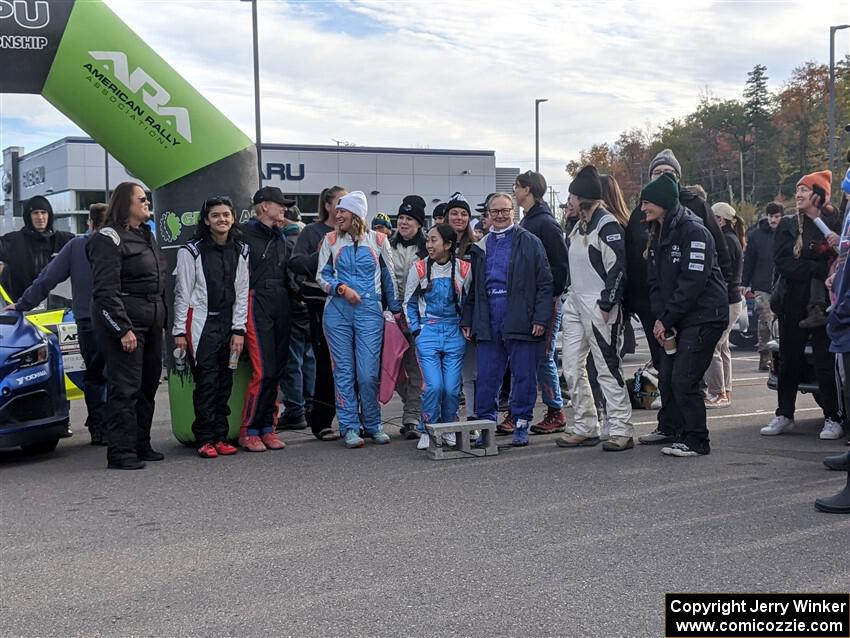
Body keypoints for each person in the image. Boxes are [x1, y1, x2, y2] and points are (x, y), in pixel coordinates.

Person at [626, 149, 731, 445]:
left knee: (685, 378)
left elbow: (693, 280)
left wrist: (669, 317)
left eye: (647, 204)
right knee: (671, 375)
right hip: (671, 314)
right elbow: (654, 280)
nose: (642, 209)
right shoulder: (657, 230)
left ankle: (696, 439)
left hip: (703, 313)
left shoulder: (694, 228)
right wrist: (662, 319)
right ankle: (673, 429)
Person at [7, 203, 109, 446]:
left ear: (89, 223)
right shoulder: (120, 243)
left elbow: (47, 279)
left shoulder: (76, 246)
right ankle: (119, 426)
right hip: (120, 320)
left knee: (96, 376)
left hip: (89, 320)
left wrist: (21, 304)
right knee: (121, 376)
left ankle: (100, 427)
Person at [462, 192, 553, 447]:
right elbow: (473, 288)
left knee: (523, 375)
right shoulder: (480, 247)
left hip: (520, 316)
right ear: (488, 215)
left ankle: (522, 423)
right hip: (488, 316)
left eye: (505, 210)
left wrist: (540, 318)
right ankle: (486, 427)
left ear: (514, 212)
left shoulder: (530, 242)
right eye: (495, 211)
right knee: (487, 376)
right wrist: (468, 319)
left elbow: (545, 283)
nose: (500, 215)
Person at [88, 182, 166, 470]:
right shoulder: (107, 239)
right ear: (126, 204)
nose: (147, 203)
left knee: (148, 386)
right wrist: (122, 329)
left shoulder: (146, 234)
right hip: (128, 324)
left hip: (153, 319)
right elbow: (105, 292)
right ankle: (120, 451)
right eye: (142, 199)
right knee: (126, 389)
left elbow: (158, 280)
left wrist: (163, 321)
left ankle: (141, 443)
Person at [761, 171, 844, 441]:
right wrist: (815, 267)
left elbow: (839, 260)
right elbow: (783, 262)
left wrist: (818, 267)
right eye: (797, 190)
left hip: (824, 305)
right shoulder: (787, 224)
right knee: (789, 360)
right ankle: (784, 414)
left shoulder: (835, 222)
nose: (798, 195)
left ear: (818, 195)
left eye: (804, 190)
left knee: (824, 361)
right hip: (791, 301)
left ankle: (832, 417)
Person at [316, 190, 402, 448]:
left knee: (367, 373)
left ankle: (373, 423)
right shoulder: (330, 240)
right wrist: (341, 288)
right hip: (337, 312)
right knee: (344, 371)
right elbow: (322, 276)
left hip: (369, 312)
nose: (337, 214)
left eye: (342, 211)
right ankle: (349, 426)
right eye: (337, 210)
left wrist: (396, 310)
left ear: (356, 214)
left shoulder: (378, 240)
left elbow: (389, 277)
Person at [556, 166, 633, 451]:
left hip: (599, 304)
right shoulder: (578, 226)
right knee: (572, 367)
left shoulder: (607, 225)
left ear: (583, 198)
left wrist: (607, 303)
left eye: (572, 197)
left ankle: (621, 428)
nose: (569, 202)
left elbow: (618, 268)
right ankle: (586, 424)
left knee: (606, 367)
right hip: (575, 302)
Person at [172, 196, 248, 459]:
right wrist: (179, 332)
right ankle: (204, 438)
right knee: (206, 382)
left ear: (233, 218)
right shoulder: (190, 250)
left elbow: (242, 292)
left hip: (229, 323)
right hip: (201, 324)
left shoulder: (241, 250)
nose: (222, 220)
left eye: (226, 214)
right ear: (206, 220)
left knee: (225, 382)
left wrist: (239, 330)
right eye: (216, 215)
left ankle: (221, 435)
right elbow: (182, 293)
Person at [404, 224, 472, 450]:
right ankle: (428, 428)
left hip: (454, 332)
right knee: (433, 386)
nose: (429, 244)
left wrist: (466, 326)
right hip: (428, 331)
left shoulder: (464, 269)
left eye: (434, 240)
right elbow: (409, 302)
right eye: (428, 240)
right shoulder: (419, 268)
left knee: (452, 388)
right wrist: (417, 330)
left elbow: (470, 302)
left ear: (448, 244)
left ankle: (449, 426)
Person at [238, 186, 295, 452]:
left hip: (281, 302)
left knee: (278, 370)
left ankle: (268, 428)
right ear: (263, 206)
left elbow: (288, 273)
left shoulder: (282, 237)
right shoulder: (243, 235)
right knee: (263, 370)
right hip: (255, 301)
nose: (284, 209)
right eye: (279, 204)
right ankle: (248, 429)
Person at [513, 171, 570, 435]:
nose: (514, 191)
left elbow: (560, 264)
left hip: (546, 301)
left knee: (544, 355)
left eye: (517, 186)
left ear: (528, 189)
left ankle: (556, 410)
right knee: (529, 356)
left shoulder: (545, 223)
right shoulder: (528, 221)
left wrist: (553, 295)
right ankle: (520, 411)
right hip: (527, 302)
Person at [290, 186, 345, 442]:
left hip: (351, 306)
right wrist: (320, 252)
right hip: (321, 304)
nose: (345, 207)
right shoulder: (312, 232)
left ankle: (355, 419)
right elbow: (296, 263)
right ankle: (321, 421)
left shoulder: (355, 233)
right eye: (340, 202)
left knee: (354, 365)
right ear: (327, 205)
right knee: (324, 363)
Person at [388, 195, 428, 438]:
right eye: (401, 217)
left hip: (417, 315)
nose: (403, 222)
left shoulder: (427, 247)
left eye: (409, 219)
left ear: (419, 224)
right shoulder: (386, 244)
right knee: (392, 367)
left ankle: (411, 417)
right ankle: (409, 406)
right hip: (390, 316)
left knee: (415, 368)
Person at [704, 202, 745, 409]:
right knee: (724, 346)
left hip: (727, 299)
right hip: (734, 299)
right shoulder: (733, 239)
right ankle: (725, 390)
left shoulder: (725, 241)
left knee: (713, 345)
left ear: (720, 220)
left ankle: (717, 392)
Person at [0, 195, 74, 301]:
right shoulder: (12, 241)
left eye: (43, 212)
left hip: (60, 308)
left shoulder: (66, 240)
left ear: (49, 215)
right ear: (28, 216)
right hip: (20, 306)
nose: (40, 217)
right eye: (35, 213)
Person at [280, 207, 314, 431]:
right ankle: (310, 404)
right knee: (309, 358)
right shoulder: (309, 238)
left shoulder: (284, 242)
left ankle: (295, 409)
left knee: (292, 361)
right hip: (310, 306)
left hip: (292, 308)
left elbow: (290, 278)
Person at [445, 193, 478, 420]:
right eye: (455, 213)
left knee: (470, 373)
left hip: (469, 318)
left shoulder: (476, 247)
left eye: (464, 214)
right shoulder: (435, 245)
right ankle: (449, 420)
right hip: (443, 319)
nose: (459, 218)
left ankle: (475, 419)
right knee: (448, 376)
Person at [742, 202, 783, 370]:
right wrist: (744, 283)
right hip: (762, 285)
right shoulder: (756, 236)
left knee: (779, 321)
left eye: (776, 217)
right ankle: (765, 356)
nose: (773, 220)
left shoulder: (787, 233)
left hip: (782, 285)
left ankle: (778, 356)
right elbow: (749, 260)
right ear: (766, 216)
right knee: (766, 320)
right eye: (771, 216)